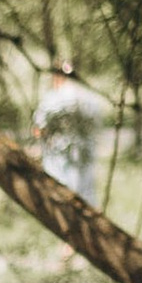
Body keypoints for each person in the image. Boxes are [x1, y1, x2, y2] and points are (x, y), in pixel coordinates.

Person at [33, 58, 107, 208]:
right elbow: (98, 127)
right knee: (86, 199)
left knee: (62, 201)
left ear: (57, 76)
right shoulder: (91, 99)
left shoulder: (52, 99)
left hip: (60, 160)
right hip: (85, 156)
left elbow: (38, 129)